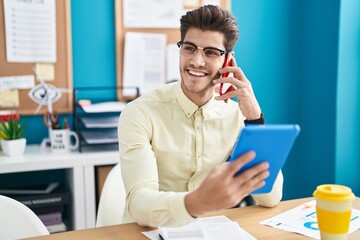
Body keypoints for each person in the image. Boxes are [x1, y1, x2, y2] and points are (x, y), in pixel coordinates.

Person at [118, 4, 283, 227]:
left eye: (211, 52)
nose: (196, 61)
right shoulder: (140, 113)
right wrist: (195, 203)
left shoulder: (236, 115)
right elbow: (139, 204)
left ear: (227, 60)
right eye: (189, 48)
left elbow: (270, 198)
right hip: (148, 232)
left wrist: (255, 121)